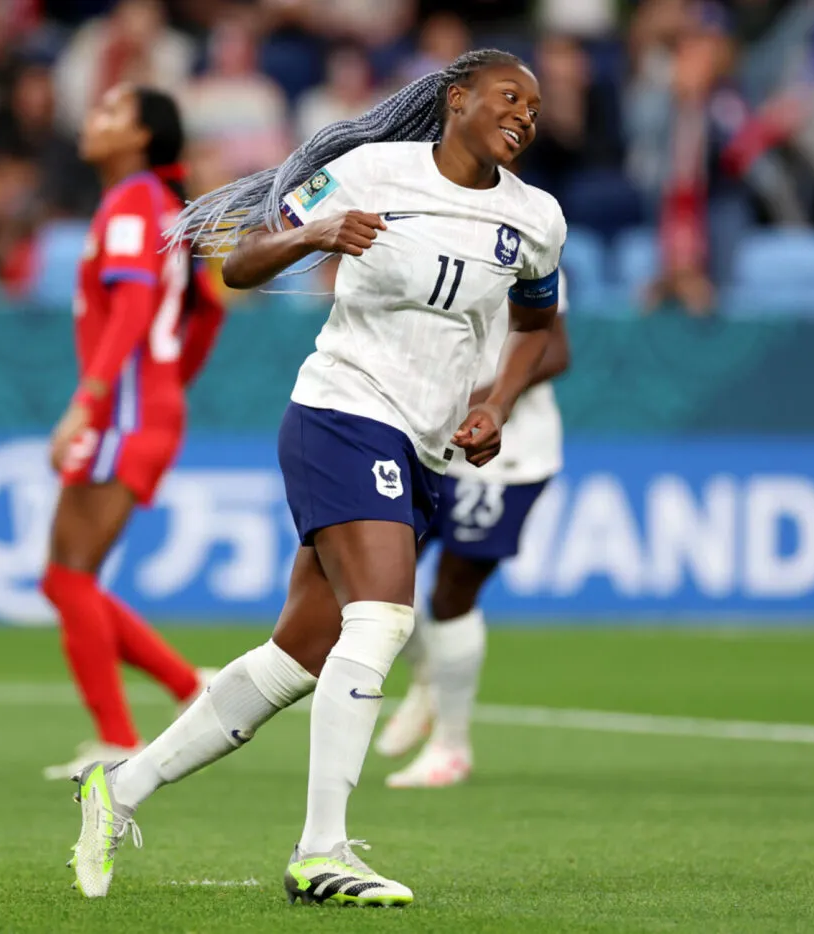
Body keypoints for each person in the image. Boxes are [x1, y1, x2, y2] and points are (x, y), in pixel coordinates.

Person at [67, 49, 567, 907]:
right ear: (456, 101)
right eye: (507, 96)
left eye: (536, 104)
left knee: (296, 658)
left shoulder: (536, 219)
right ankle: (321, 852)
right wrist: (313, 233)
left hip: (422, 443)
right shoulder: (371, 170)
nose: (526, 113)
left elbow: (539, 328)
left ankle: (121, 788)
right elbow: (241, 265)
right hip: (340, 409)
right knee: (382, 619)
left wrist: (498, 403)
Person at [41, 84, 226, 781]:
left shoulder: (132, 200)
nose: (94, 119)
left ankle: (120, 736)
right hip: (141, 404)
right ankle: (190, 689)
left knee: (68, 575)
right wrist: (170, 382)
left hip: (121, 409)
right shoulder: (162, 206)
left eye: (111, 112)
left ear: (144, 137)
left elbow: (134, 305)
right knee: (65, 576)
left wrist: (90, 399)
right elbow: (207, 311)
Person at [375, 275, 572, 787]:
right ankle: (428, 680)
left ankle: (451, 746)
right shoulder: (427, 238)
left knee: (450, 594)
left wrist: (479, 401)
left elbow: (554, 352)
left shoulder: (523, 244)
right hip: (428, 447)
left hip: (502, 454)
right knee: (375, 577)